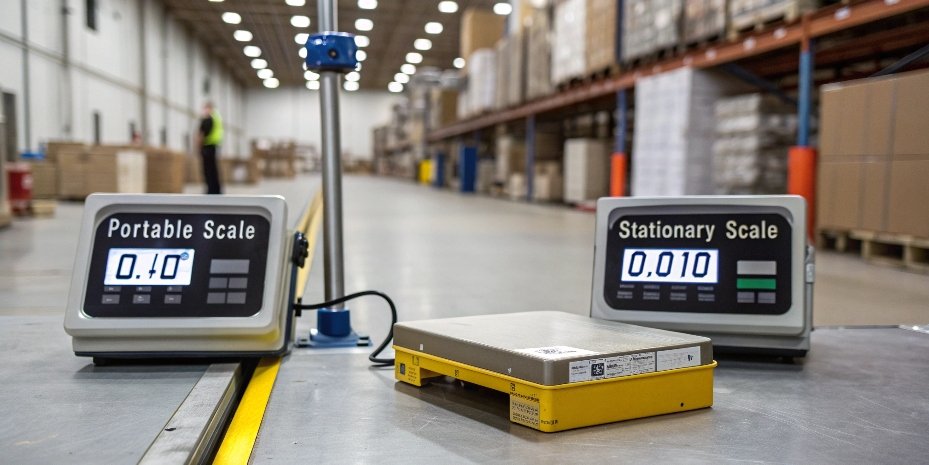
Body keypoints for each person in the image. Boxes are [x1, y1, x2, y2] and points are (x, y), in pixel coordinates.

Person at [197, 102, 224, 194]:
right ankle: (216, 189)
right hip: (214, 147)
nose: (204, 111)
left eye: (206, 108)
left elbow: (201, 135)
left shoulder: (208, 120)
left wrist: (198, 147)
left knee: (208, 170)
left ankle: (210, 189)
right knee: (214, 170)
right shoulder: (217, 119)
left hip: (207, 147)